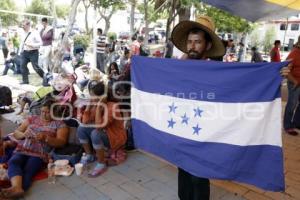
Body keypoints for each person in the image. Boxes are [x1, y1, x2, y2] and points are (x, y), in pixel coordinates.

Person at [170, 15, 290, 200]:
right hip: (183, 132)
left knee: (198, 177)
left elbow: (245, 82)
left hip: (205, 134)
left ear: (208, 45)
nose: (193, 46)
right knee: (183, 174)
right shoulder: (177, 68)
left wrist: (275, 74)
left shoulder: (219, 72)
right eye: (190, 42)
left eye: (198, 42)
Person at [0, 99, 69, 199]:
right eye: (42, 111)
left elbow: (61, 142)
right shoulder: (32, 119)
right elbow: (16, 133)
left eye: (47, 112)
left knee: (28, 170)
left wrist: (46, 138)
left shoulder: (59, 124)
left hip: (39, 154)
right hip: (23, 148)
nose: (43, 114)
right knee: (14, 162)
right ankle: (16, 188)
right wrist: (23, 134)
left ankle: (13, 191)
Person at [76, 81, 127, 177]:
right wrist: (88, 107)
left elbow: (99, 126)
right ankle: (89, 155)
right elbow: (84, 122)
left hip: (115, 137)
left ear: (102, 97)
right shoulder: (95, 105)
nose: (91, 99)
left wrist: (99, 108)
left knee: (96, 133)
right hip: (104, 133)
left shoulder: (113, 107)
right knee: (81, 129)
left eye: (93, 96)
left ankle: (101, 163)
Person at [284, 35, 300, 136]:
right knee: (292, 104)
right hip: (295, 83)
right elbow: (285, 70)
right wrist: (294, 81)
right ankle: (288, 126)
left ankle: (297, 123)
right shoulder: (294, 53)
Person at [19, 19, 44, 84]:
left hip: (33, 52)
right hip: (25, 52)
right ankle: (25, 81)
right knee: (22, 65)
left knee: (35, 67)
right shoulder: (22, 32)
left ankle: (45, 78)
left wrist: (32, 45)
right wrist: (20, 51)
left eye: (23, 25)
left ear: (28, 25)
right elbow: (22, 42)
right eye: (22, 25)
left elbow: (40, 43)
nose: (22, 27)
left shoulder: (34, 32)